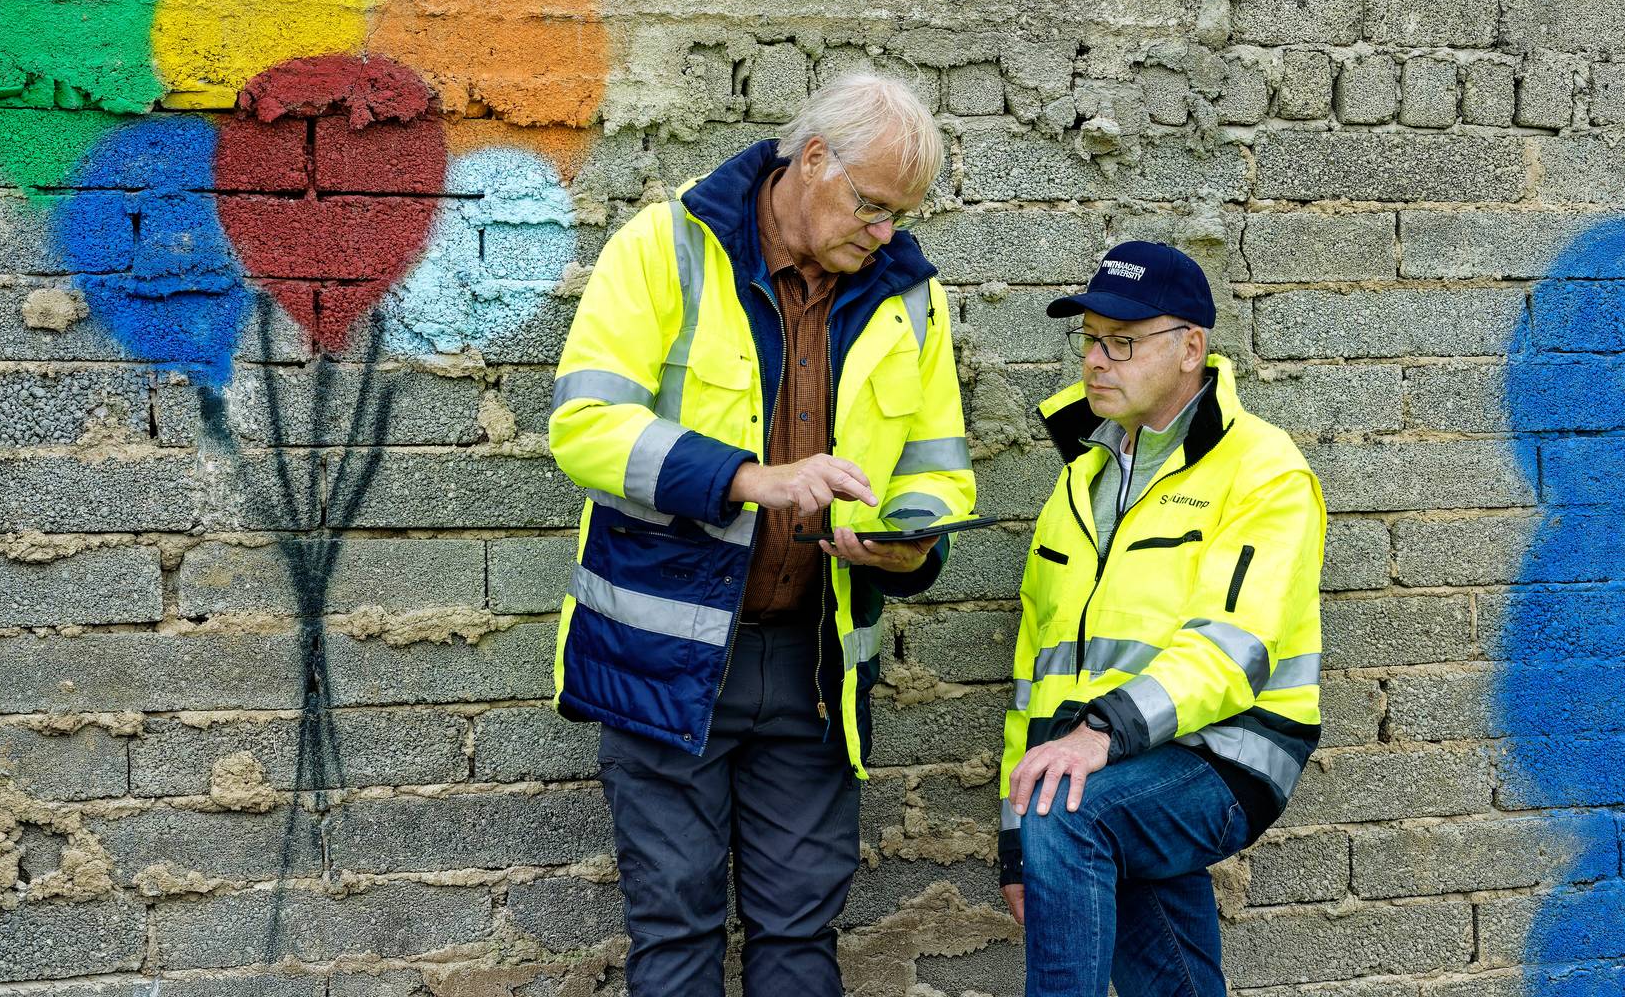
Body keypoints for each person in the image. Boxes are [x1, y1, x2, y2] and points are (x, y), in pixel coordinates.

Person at [546, 72, 974, 995]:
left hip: (815, 667)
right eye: (872, 206)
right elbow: (585, 427)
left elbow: (936, 468)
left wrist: (909, 542)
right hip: (664, 659)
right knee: (676, 932)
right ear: (813, 160)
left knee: (801, 937)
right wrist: (749, 480)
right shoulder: (666, 247)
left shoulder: (911, 294)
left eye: (900, 215)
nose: (886, 233)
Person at [1000, 240, 1328, 997]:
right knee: (1167, 972)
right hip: (1115, 755)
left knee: (1073, 813)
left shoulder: (1263, 470)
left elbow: (1232, 649)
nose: (1095, 361)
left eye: (1122, 342)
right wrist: (1018, 838)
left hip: (1231, 752)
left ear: (1190, 348)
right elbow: (1038, 675)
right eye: (1090, 339)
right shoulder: (1080, 482)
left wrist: (1097, 737)